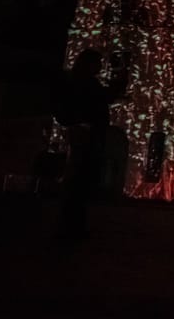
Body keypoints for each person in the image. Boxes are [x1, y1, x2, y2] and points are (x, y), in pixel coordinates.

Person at [53, 48, 127, 243]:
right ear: (89, 64)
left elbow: (105, 97)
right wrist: (79, 122)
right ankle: (69, 228)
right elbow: (103, 98)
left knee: (79, 181)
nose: (100, 66)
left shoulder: (81, 81)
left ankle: (72, 226)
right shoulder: (81, 83)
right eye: (98, 63)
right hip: (84, 135)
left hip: (85, 133)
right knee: (78, 180)